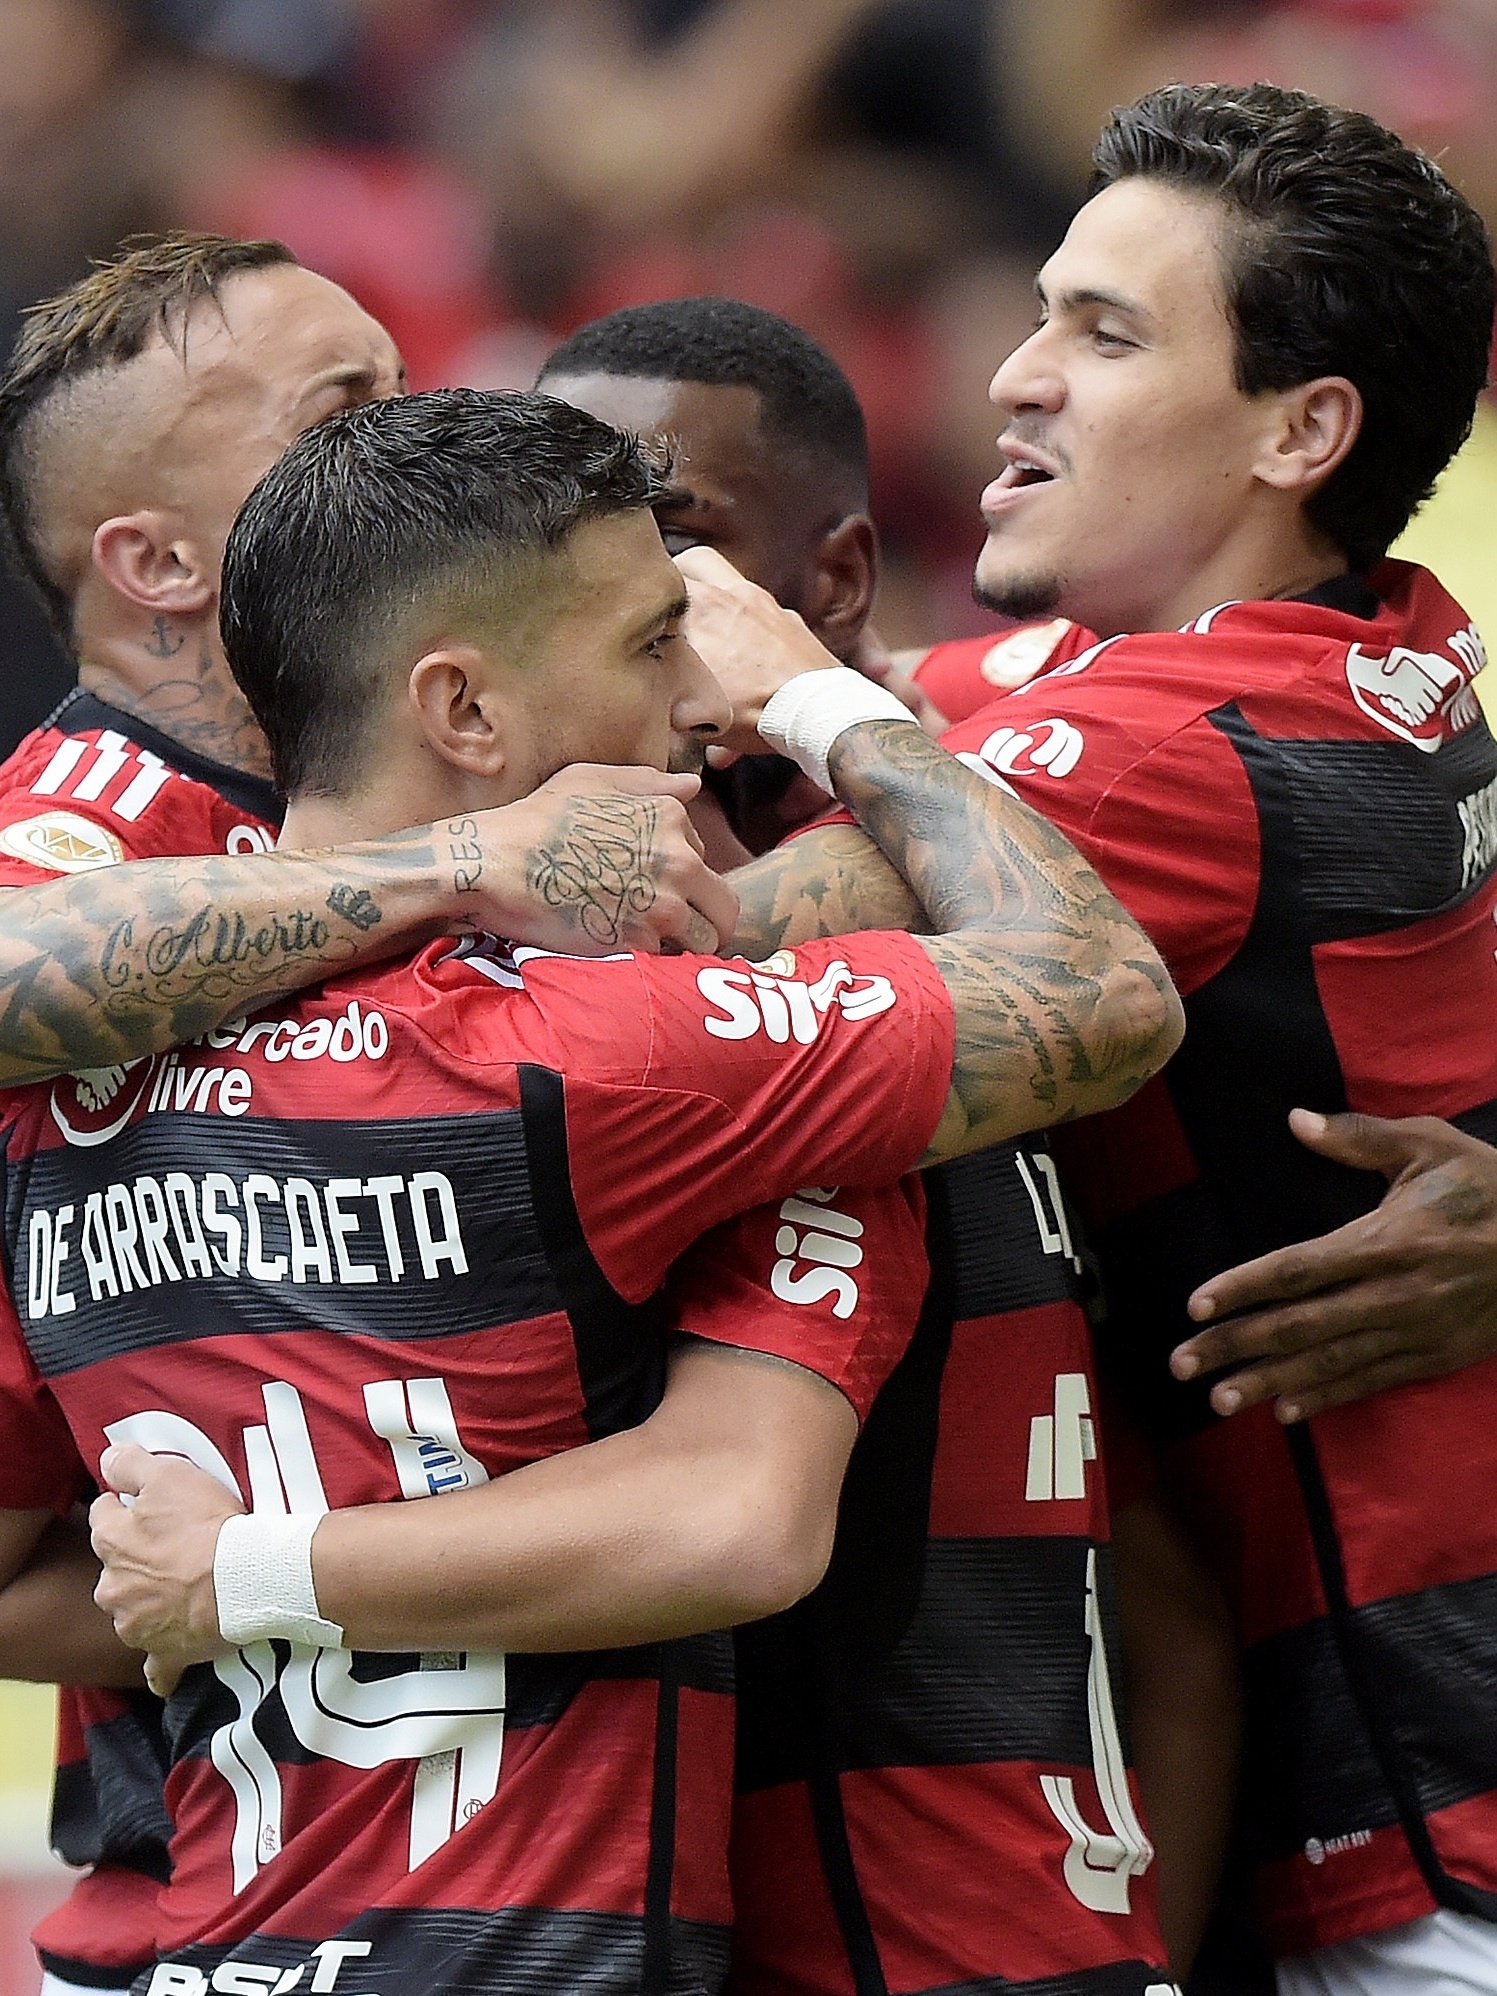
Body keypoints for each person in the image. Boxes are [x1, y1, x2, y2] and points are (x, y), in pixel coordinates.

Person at [0, 384, 1178, 1996]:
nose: (701, 697)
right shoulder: (592, 1051)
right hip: (519, 1961)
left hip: (199, 1949)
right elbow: (1102, 999)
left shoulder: (63, 1086)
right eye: (648, 644)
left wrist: (231, 1573)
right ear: (464, 714)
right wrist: (836, 712)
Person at [694, 80, 1497, 1992]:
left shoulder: (1163, 754)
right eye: (1045, 308)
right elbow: (960, 698)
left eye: (1105, 335)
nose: (1013, 379)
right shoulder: (1379, 637)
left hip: (1427, 1831)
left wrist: (805, 706)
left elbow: (683, 989)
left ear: (1304, 432)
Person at [0, 230, 736, 1996]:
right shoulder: (88, 836)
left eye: (403, 386)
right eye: (341, 409)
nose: (405, 443)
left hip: (559, 1872)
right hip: (219, 1896)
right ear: (158, 562)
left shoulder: (521, 737)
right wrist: (282, 1573)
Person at [537, 293, 1234, 1984]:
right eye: (557, 543)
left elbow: (1162, 1617)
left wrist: (263, 1571)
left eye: (674, 539)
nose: (622, 595)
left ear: (825, 582)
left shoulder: (934, 925)